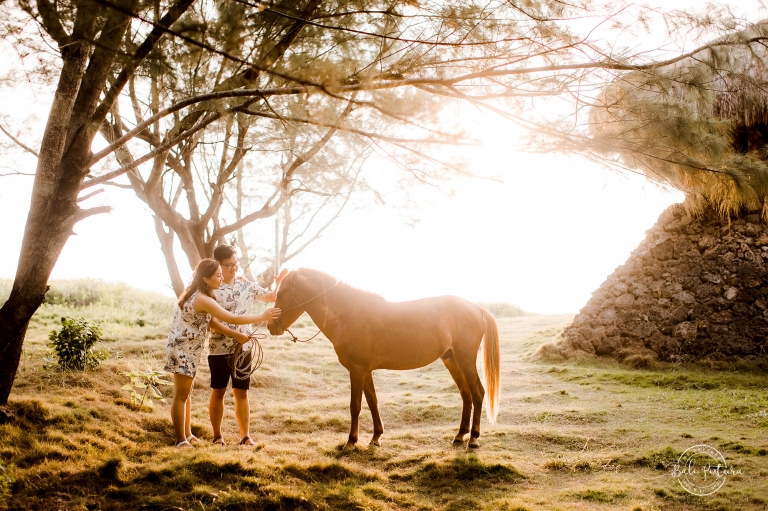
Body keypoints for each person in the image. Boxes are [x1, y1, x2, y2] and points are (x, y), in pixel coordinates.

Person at [164, 258, 281, 448]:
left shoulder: (197, 293)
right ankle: (180, 440)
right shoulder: (203, 299)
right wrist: (262, 316)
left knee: (187, 393)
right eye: (218, 275)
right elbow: (232, 318)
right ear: (206, 279)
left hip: (189, 349)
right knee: (181, 395)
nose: (221, 278)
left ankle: (187, 434)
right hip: (183, 349)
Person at [209, 245, 288, 446]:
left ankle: (245, 437)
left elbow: (271, 297)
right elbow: (211, 322)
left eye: (235, 263)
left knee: (242, 392)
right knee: (218, 391)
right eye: (229, 265)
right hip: (219, 349)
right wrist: (235, 334)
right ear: (218, 265)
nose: (234, 268)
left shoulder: (246, 285)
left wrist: (278, 283)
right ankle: (217, 436)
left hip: (244, 349)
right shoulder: (212, 290)